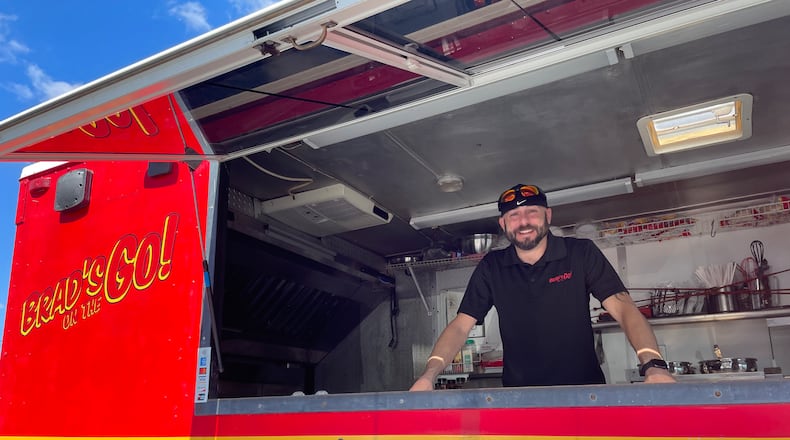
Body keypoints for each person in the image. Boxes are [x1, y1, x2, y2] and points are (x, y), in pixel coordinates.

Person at [410, 184, 675, 390]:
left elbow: (624, 309)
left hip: (585, 393)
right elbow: (460, 325)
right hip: (522, 399)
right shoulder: (492, 266)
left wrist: (653, 364)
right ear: (503, 224)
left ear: (547, 215)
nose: (523, 221)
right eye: (513, 215)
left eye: (531, 212)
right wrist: (429, 375)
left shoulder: (580, 253)